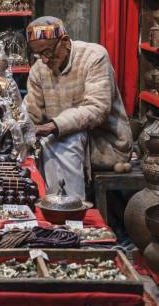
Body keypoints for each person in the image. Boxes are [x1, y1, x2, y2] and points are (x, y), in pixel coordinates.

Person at [23, 16, 132, 199]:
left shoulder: (94, 56)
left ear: (64, 41)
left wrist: (52, 126)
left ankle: (70, 209)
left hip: (105, 144)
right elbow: (32, 114)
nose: (43, 60)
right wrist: (19, 127)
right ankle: (48, 202)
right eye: (37, 54)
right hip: (61, 141)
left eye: (47, 52)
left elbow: (97, 109)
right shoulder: (39, 70)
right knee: (39, 143)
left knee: (65, 139)